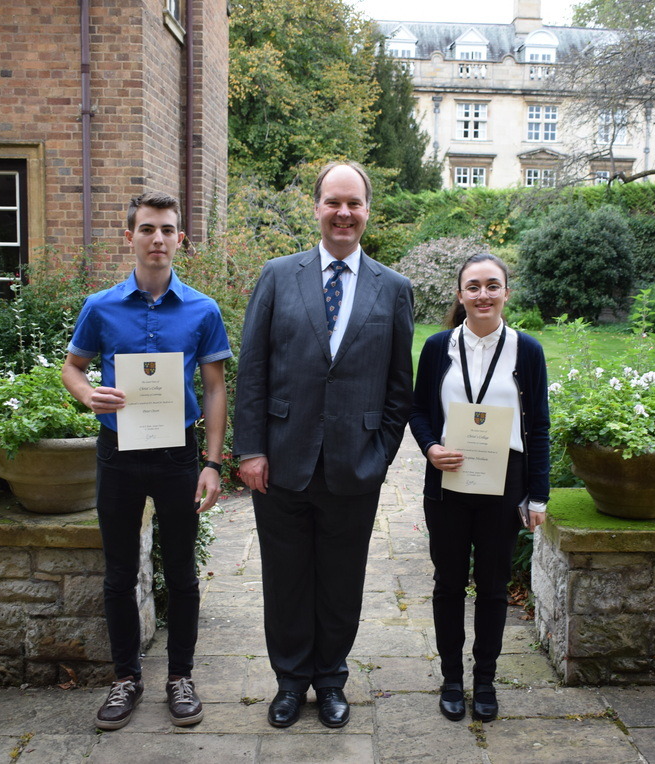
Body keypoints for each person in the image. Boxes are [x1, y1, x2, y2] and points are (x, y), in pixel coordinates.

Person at [233, 161, 414, 729]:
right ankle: (290, 682)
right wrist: (251, 450)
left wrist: (380, 455)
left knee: (341, 581)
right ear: (316, 207)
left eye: (354, 203)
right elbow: (253, 370)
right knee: (286, 579)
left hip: (353, 466)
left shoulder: (394, 288)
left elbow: (398, 388)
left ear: (367, 211)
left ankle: (331, 679)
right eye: (333, 202)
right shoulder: (278, 276)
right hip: (281, 460)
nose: (343, 213)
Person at [61, 191, 231, 731]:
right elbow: (72, 368)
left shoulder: (202, 309)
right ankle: (124, 679)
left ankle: (180, 677)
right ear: (129, 236)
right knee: (118, 572)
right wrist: (88, 395)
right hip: (118, 453)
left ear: (181, 238)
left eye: (167, 230)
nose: (158, 239)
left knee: (181, 572)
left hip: (178, 455)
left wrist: (212, 462)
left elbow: (215, 387)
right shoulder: (100, 306)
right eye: (147, 229)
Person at [408, 253, 550, 723]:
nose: (483, 294)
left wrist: (539, 495)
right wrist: (430, 447)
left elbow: (540, 427)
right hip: (447, 478)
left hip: (503, 481)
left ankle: (485, 679)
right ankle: (452, 678)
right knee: (448, 584)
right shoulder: (436, 347)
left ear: (507, 292)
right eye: (474, 286)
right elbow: (419, 411)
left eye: (493, 285)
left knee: (491, 588)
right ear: (460, 294)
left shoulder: (526, 350)